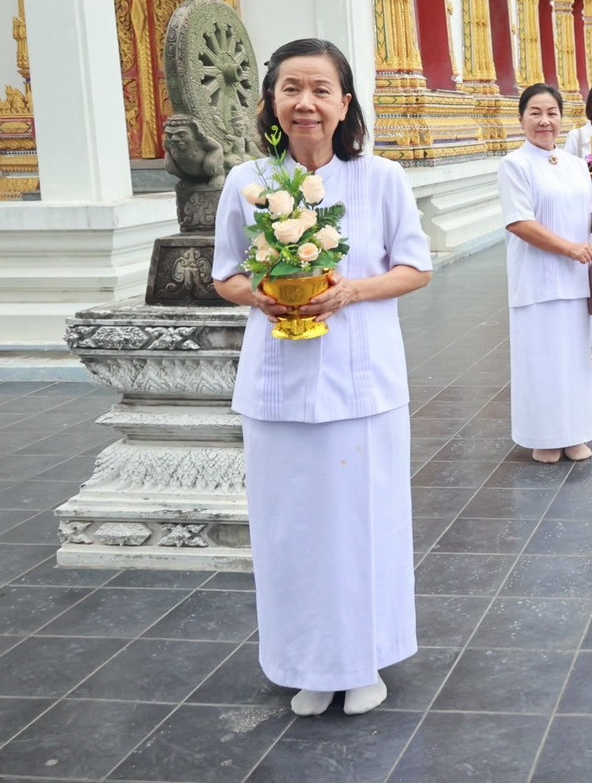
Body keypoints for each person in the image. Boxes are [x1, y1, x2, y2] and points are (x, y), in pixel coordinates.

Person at [212, 38, 432, 718]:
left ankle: (362, 661)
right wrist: (260, 297)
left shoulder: (381, 178)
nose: (305, 103)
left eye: (320, 90)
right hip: (278, 384)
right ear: (270, 103)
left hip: (363, 383)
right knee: (292, 530)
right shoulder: (246, 181)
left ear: (344, 105)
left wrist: (353, 291)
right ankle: (307, 664)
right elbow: (226, 274)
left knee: (363, 524)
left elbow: (416, 268)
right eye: (291, 89)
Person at [498, 84, 592, 463]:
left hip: (575, 278)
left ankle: (574, 434)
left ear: (561, 118)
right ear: (521, 119)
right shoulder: (514, 164)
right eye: (535, 113)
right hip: (536, 279)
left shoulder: (575, 165)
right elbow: (519, 222)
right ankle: (543, 437)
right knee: (541, 362)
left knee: (573, 362)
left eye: (552, 113)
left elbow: (590, 211)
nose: (544, 121)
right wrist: (569, 248)